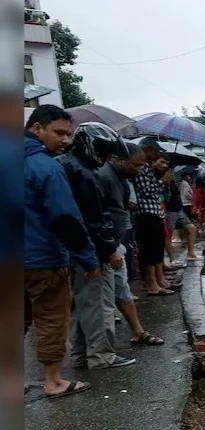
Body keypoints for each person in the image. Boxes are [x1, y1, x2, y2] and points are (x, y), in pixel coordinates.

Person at [24, 105, 100, 398]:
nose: (65, 140)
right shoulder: (47, 168)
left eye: (68, 134)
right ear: (37, 129)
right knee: (51, 319)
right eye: (59, 133)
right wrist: (88, 259)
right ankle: (53, 381)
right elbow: (66, 219)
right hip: (43, 259)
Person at [58, 121, 136, 370]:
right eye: (104, 152)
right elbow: (93, 220)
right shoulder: (84, 174)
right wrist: (109, 249)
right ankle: (101, 355)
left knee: (80, 305)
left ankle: (82, 354)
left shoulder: (65, 165)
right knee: (99, 303)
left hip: (71, 249)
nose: (105, 158)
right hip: (90, 250)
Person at [97, 141, 164, 347]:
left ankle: (137, 332)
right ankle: (102, 353)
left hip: (115, 244)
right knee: (104, 299)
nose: (139, 169)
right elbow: (98, 217)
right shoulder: (103, 178)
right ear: (119, 160)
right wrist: (109, 248)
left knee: (122, 290)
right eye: (136, 165)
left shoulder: (123, 180)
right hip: (105, 247)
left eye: (141, 165)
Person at [132, 138, 176, 295]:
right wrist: (162, 181)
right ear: (147, 150)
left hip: (155, 212)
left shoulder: (149, 168)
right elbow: (147, 191)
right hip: (146, 213)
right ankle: (152, 284)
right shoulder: (141, 167)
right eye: (155, 151)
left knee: (157, 248)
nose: (157, 155)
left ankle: (159, 280)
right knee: (150, 250)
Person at [166, 168, 198, 263]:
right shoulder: (163, 183)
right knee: (168, 235)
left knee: (192, 229)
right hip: (170, 211)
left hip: (179, 209)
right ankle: (172, 258)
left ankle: (191, 253)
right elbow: (165, 197)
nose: (172, 174)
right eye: (170, 172)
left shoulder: (175, 182)